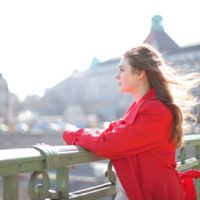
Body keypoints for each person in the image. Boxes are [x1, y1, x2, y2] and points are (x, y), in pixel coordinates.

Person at [62, 44, 198, 200]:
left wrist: (72, 135)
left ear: (139, 72)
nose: (116, 76)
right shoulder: (142, 106)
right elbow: (111, 132)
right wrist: (76, 136)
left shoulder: (155, 110)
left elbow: (109, 143)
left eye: (122, 69)